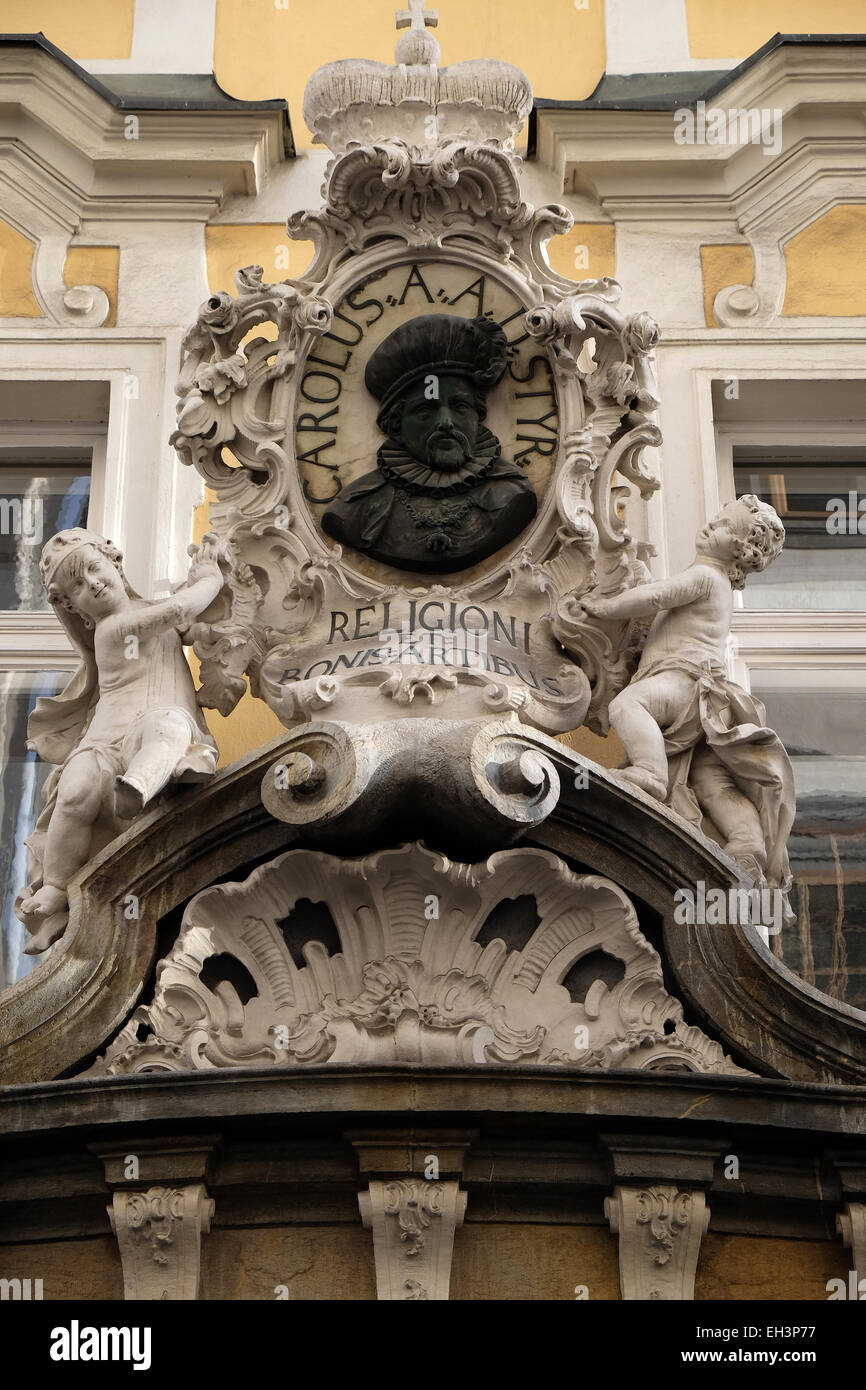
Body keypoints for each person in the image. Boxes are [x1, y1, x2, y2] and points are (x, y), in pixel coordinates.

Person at [16, 528, 223, 954]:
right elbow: (183, 607)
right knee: (74, 793)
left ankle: (138, 787)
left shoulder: (152, 614)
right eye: (77, 586)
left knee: (167, 730)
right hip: (106, 738)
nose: (91, 582)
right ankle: (56, 884)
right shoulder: (116, 629)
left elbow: (195, 620)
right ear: (75, 608)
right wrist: (211, 578)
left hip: (157, 719)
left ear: (115, 562)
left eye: (93, 568)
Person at [582, 496, 795, 909]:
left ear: (735, 549)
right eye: (715, 518)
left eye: (720, 526)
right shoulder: (717, 586)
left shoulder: (705, 576)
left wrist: (603, 606)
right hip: (709, 705)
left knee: (627, 707)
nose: (708, 526)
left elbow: (655, 598)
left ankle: (649, 772)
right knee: (710, 782)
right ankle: (747, 840)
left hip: (684, 682)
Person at [322, 313, 537, 572]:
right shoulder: (355, 510)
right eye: (426, 409)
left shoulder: (513, 493)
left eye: (459, 406)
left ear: (477, 417)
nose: (445, 422)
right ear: (397, 426)